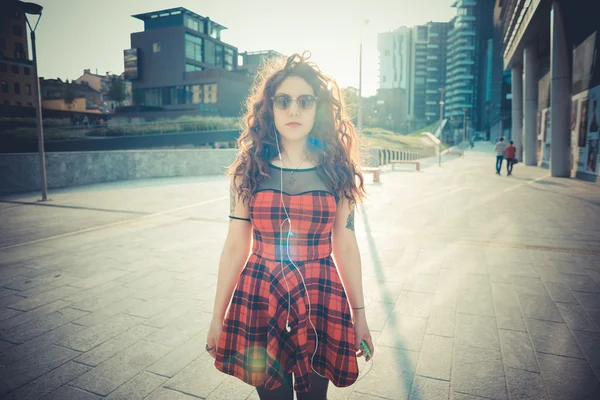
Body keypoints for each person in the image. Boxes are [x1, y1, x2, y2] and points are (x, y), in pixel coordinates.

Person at [205, 52, 374, 400]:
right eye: (283, 101)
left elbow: (345, 243)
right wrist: (216, 316)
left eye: (304, 101)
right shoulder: (247, 170)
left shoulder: (337, 170)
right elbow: (236, 246)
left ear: (318, 108)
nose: (294, 110)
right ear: (270, 107)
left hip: (320, 293)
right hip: (260, 295)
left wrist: (360, 315)